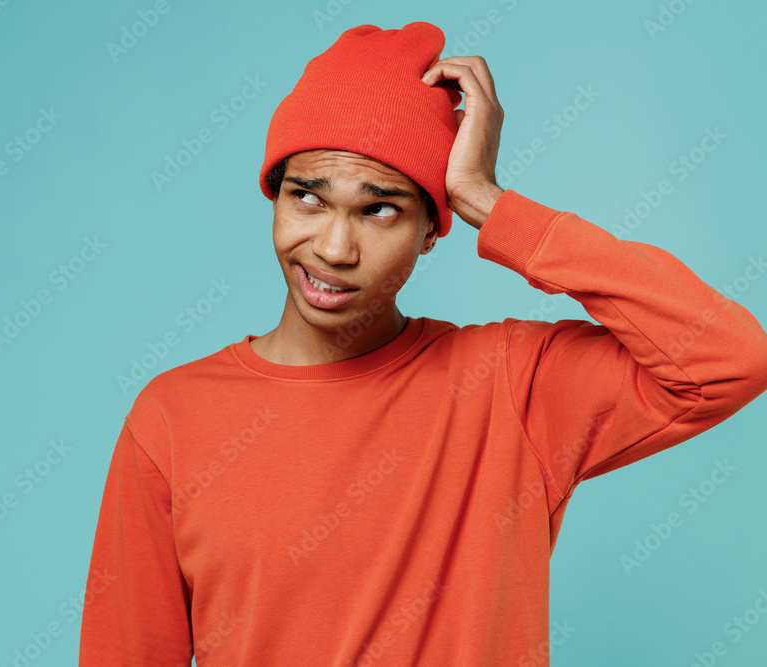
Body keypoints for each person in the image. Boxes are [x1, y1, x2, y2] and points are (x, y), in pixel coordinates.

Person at [79, 21, 767, 665]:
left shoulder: (510, 386)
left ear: (433, 231)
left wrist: (488, 201)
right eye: (308, 198)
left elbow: (729, 357)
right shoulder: (172, 417)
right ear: (274, 197)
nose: (333, 247)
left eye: (379, 208)